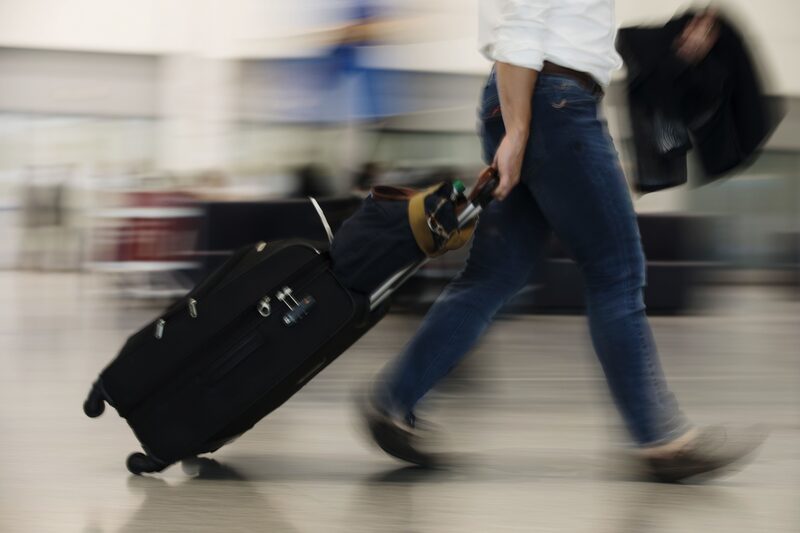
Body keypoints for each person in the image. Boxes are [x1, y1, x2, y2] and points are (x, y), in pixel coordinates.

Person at [360, 1, 765, 482]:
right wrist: (519, 131)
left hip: (531, 99)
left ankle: (393, 400)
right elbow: (524, 24)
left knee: (492, 276)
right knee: (616, 273)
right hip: (551, 102)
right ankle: (660, 438)